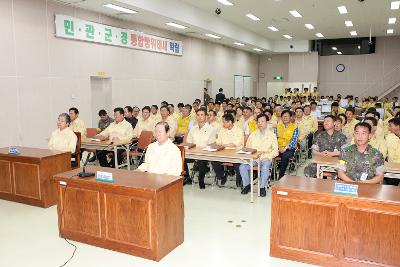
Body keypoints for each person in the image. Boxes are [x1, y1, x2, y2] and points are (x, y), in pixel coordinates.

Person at [240, 114, 278, 197]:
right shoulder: (253, 134)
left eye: (262, 121)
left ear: (267, 122)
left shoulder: (272, 135)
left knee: (264, 168)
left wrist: (267, 157)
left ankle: (262, 187)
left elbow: (275, 151)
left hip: (265, 158)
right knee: (242, 167)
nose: (260, 123)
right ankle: (247, 185)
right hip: (253, 158)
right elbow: (248, 148)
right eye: (258, 122)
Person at [184, 108, 217, 188]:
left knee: (201, 160)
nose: (199, 117)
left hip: (205, 154)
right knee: (180, 157)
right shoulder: (193, 129)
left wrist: (202, 151)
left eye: (202, 115)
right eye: (198, 115)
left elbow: (212, 144)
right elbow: (189, 142)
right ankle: (187, 177)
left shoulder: (211, 129)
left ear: (206, 117)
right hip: (193, 152)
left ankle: (201, 179)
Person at [212, 113, 244, 187]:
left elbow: (236, 143)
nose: (222, 124)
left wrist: (224, 145)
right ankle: (222, 175)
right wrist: (217, 144)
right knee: (214, 161)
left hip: (235, 153)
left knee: (237, 164)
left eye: (224, 122)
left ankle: (239, 178)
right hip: (223, 152)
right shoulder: (222, 130)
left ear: (230, 122)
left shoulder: (239, 130)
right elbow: (218, 141)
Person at [276, 110, 299, 178]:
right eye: (283, 117)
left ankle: (281, 175)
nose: (285, 118)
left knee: (285, 156)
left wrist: (285, 148)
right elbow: (274, 139)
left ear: (290, 117)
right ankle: (272, 174)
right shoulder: (278, 127)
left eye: (287, 116)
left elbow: (294, 141)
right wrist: (278, 148)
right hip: (278, 148)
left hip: (289, 149)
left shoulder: (295, 127)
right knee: (270, 153)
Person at [385, 117, 400, 186]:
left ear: (397, 126)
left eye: (390, 125)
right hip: (392, 168)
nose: (388, 128)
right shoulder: (391, 136)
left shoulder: (393, 138)